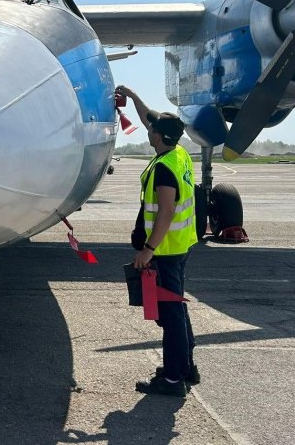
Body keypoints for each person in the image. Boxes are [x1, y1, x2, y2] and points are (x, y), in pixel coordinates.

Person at [116, 85, 198, 398]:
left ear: (158, 136)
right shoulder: (178, 153)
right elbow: (151, 116)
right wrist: (135, 97)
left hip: (165, 250)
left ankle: (174, 379)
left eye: (151, 129)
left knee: (171, 315)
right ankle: (187, 367)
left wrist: (148, 251)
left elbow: (165, 212)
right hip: (180, 246)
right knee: (176, 309)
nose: (147, 130)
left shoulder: (164, 169)